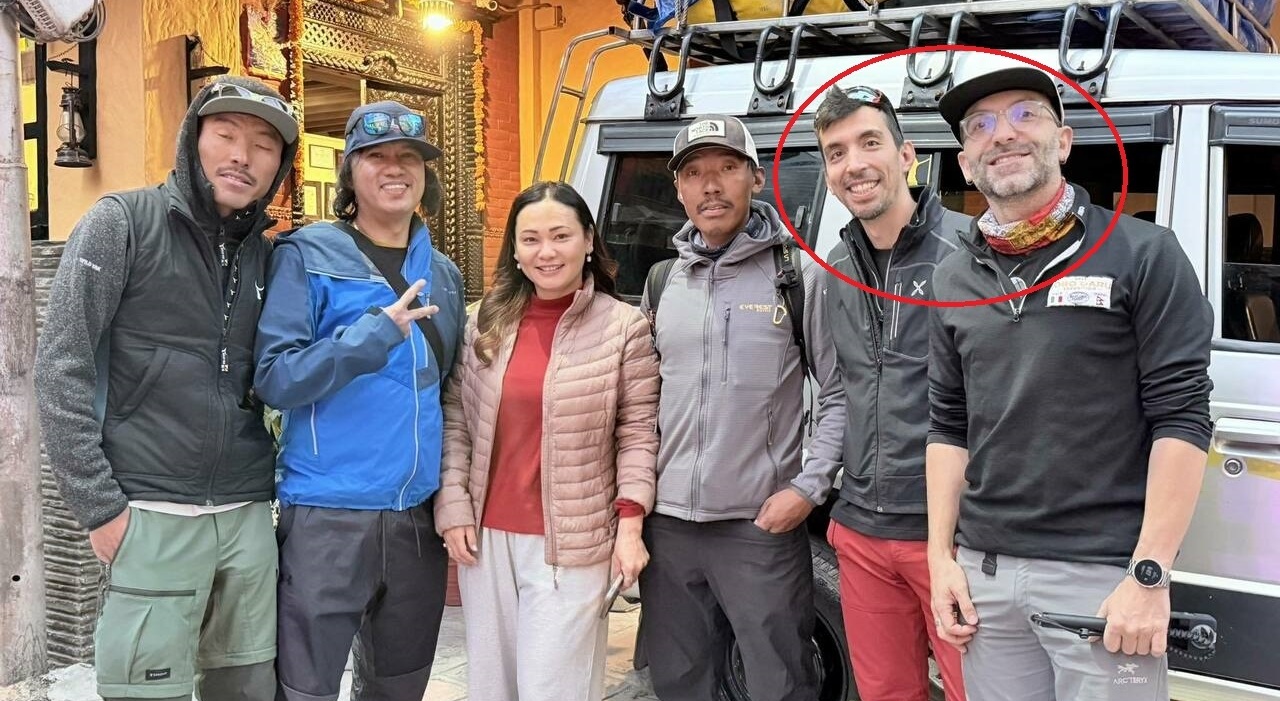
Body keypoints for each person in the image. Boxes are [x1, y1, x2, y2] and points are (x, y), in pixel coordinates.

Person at [926, 65, 1214, 700]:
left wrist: (1148, 575)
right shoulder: (952, 281)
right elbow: (948, 425)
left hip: (1103, 581)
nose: (1002, 135)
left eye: (1025, 115)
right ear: (965, 165)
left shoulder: (1143, 253)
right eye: (980, 126)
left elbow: (1183, 419)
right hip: (986, 580)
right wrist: (941, 559)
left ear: (1063, 141)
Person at [35, 76, 298, 701]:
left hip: (246, 517)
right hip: (149, 510)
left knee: (248, 689)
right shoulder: (122, 222)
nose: (242, 155)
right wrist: (100, 508)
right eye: (226, 135)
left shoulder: (270, 256)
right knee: (145, 691)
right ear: (193, 140)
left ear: (281, 165)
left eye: (263, 145)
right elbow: (60, 363)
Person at [254, 100, 466, 701]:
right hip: (326, 513)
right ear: (350, 173)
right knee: (305, 687)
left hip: (415, 521)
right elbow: (276, 377)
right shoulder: (308, 256)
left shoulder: (443, 274)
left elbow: (447, 390)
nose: (394, 168)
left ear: (426, 174)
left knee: (398, 686)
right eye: (376, 157)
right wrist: (372, 337)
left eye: (409, 158)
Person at [638, 114, 845, 701]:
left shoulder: (797, 276)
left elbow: (838, 394)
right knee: (680, 681)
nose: (711, 186)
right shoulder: (663, 282)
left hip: (759, 526)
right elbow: (642, 405)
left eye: (727, 168)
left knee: (780, 683)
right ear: (677, 189)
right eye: (695, 173)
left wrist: (807, 489)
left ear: (755, 178)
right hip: (669, 527)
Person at [435, 180, 660, 701]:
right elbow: (457, 420)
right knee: (492, 688)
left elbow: (637, 434)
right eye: (530, 239)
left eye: (560, 235)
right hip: (486, 541)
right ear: (514, 250)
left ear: (587, 240)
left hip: (573, 543)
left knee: (553, 688)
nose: (546, 252)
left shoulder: (625, 328)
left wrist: (630, 525)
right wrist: (453, 506)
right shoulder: (485, 323)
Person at [812, 85, 969, 701]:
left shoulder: (972, 252)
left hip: (953, 534)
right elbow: (837, 390)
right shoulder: (835, 268)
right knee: (883, 693)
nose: (853, 164)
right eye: (835, 151)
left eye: (869, 142)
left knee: (976, 691)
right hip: (860, 530)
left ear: (908, 155)